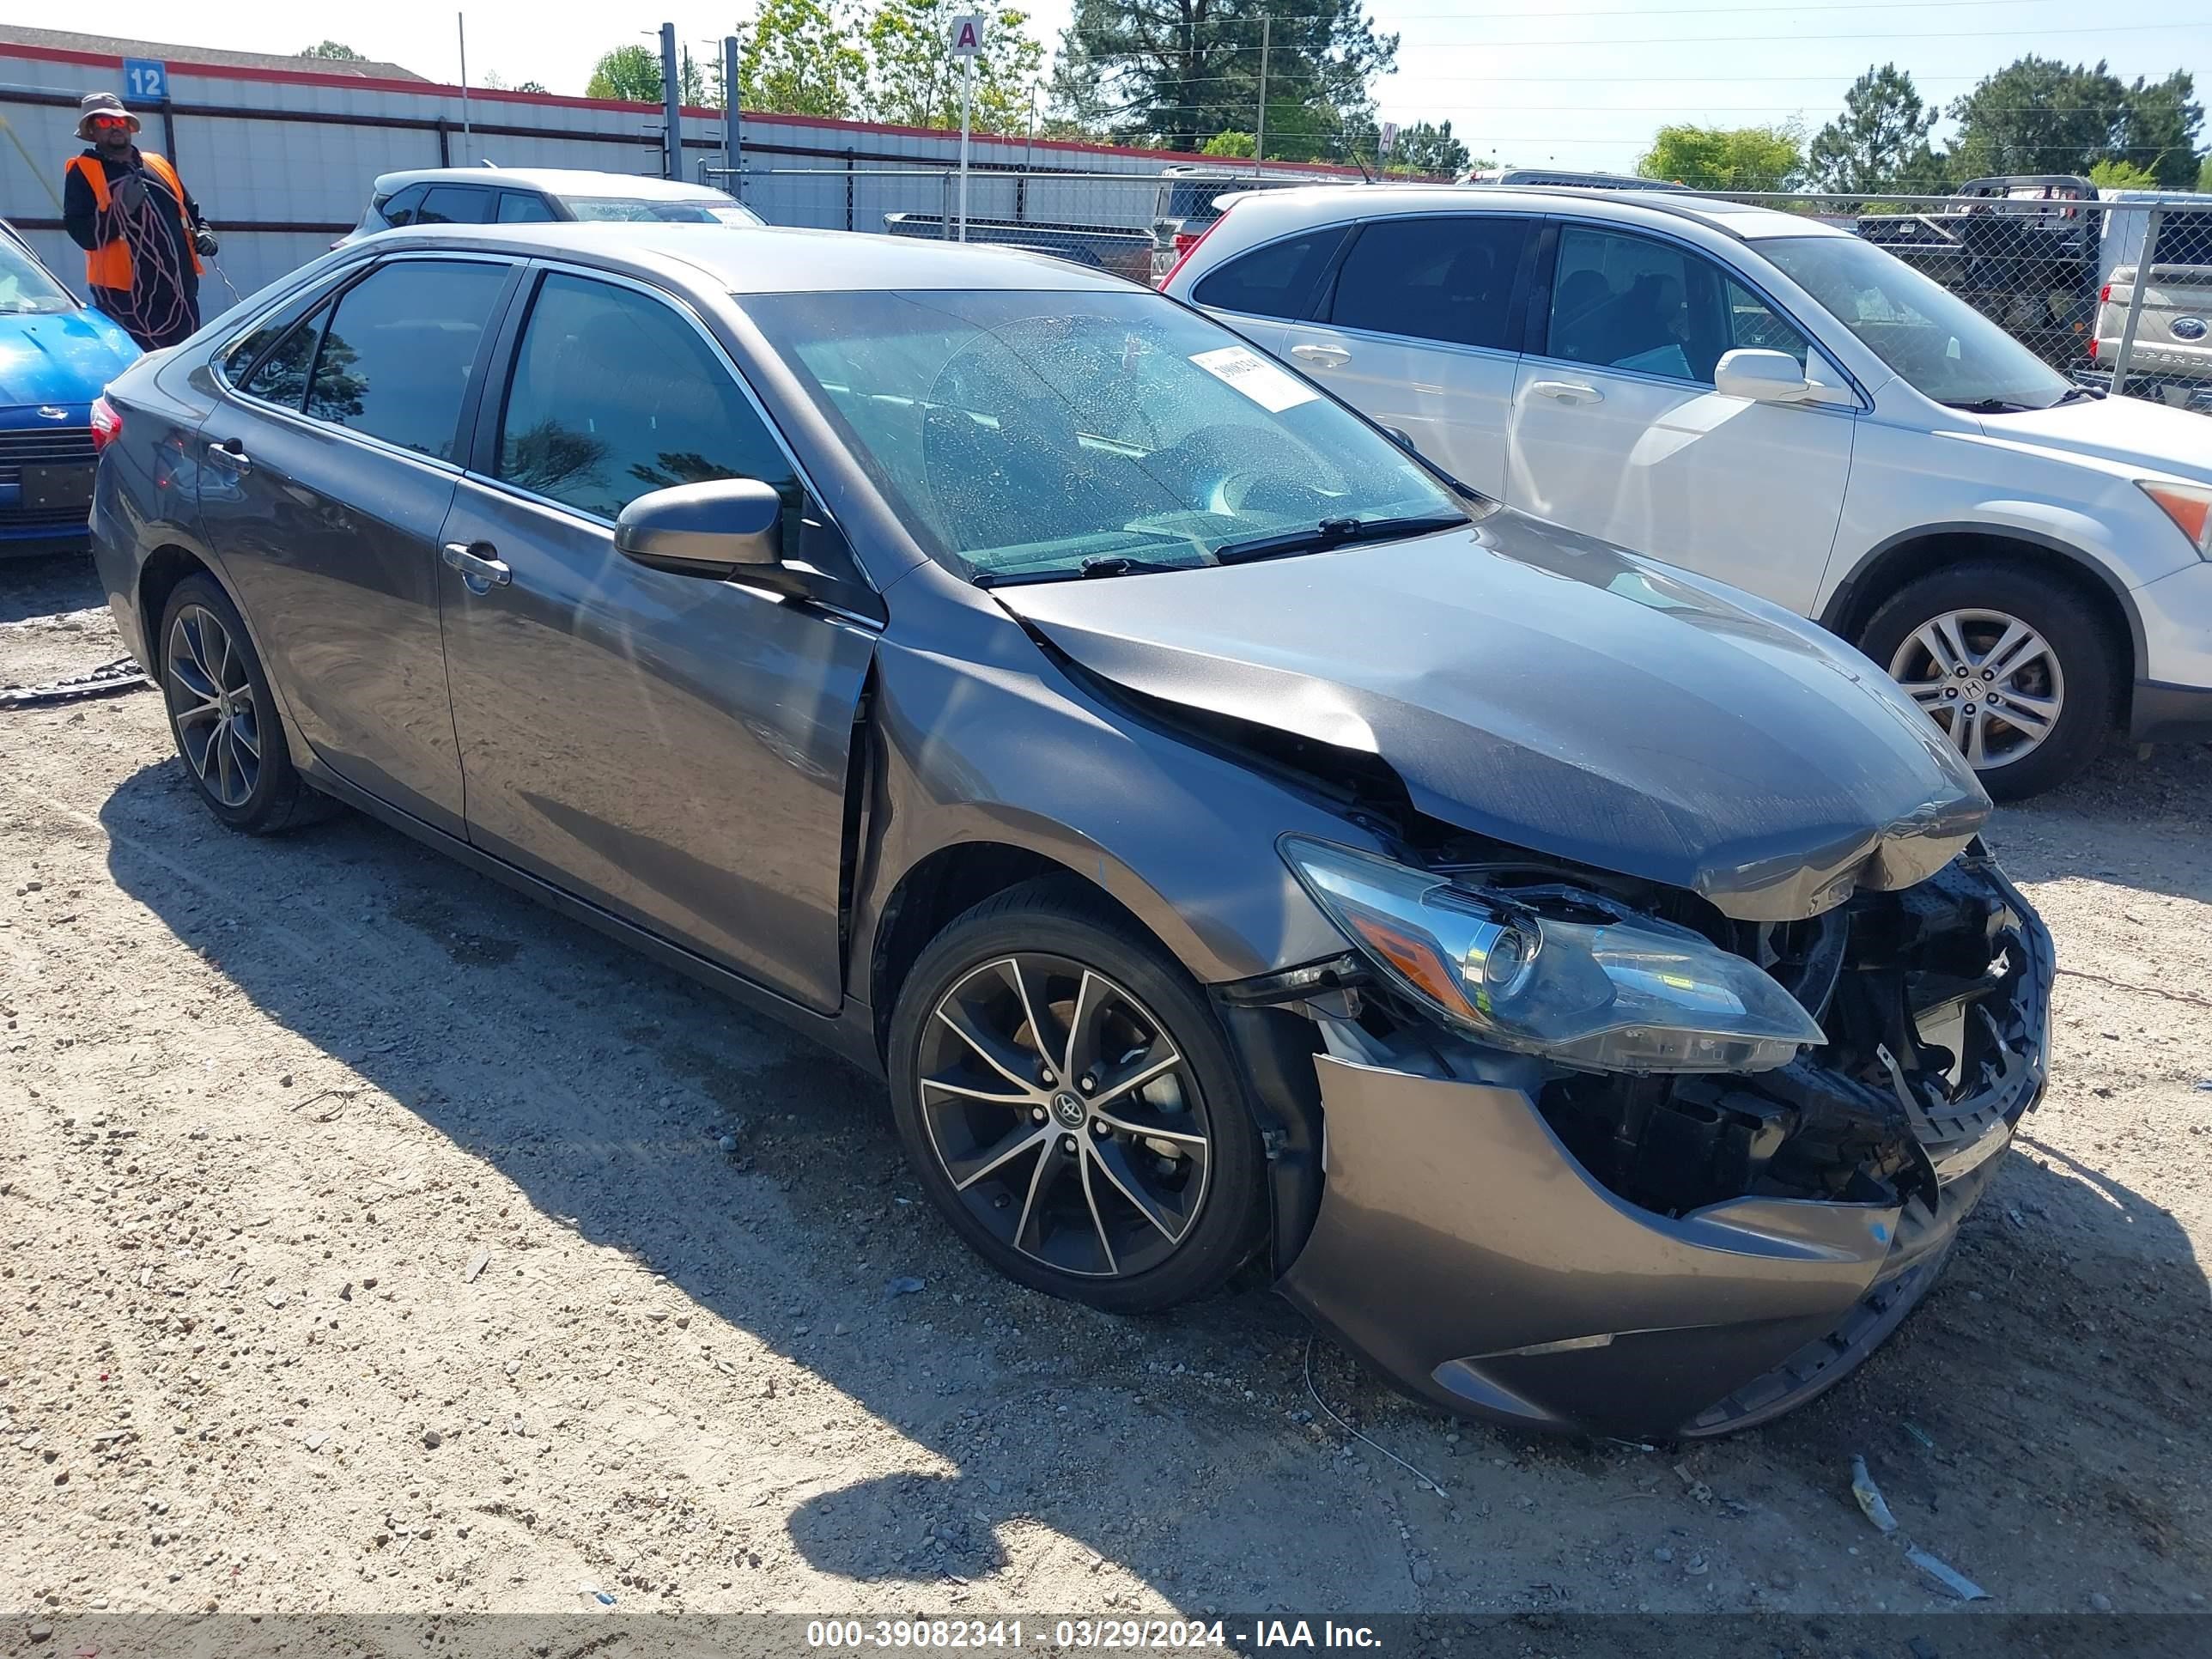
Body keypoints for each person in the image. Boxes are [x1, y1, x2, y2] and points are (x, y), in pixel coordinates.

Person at [61, 91, 217, 351]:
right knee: (139, 375)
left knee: (182, 369)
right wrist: (121, 211)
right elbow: (84, 235)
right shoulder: (83, 171)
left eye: (119, 121)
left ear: (128, 125)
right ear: (92, 130)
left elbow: (191, 212)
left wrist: (205, 234)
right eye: (104, 122)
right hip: (127, 302)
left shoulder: (157, 164)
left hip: (180, 296)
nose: (114, 127)